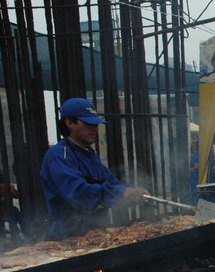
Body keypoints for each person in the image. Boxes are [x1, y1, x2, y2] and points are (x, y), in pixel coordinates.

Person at [41, 98, 149, 240]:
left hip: (93, 231)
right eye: (88, 123)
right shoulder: (59, 155)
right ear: (69, 123)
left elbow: (112, 185)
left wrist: (132, 190)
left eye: (96, 124)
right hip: (67, 234)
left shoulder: (89, 155)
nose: (94, 129)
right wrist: (121, 192)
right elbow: (78, 194)